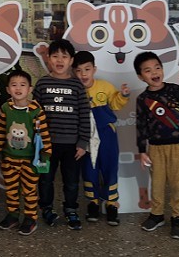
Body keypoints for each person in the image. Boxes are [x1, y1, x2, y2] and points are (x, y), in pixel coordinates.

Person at [133, 51, 179, 240]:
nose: (154, 72)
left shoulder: (174, 90)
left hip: (177, 146)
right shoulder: (142, 99)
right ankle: (157, 214)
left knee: (178, 184)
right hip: (155, 148)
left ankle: (178, 217)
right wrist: (142, 151)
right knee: (157, 184)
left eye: (157, 67)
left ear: (163, 69)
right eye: (147, 70)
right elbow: (140, 126)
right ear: (140, 76)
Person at [32, 39, 91, 230]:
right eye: (55, 56)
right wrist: (36, 140)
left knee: (72, 182)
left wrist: (82, 142)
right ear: (48, 59)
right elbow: (34, 113)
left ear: (71, 60)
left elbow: (84, 115)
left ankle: (71, 209)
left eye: (64, 56)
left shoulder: (77, 86)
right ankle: (46, 209)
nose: (59, 60)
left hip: (72, 146)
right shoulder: (42, 83)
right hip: (46, 145)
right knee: (45, 180)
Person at [72, 50, 130, 226]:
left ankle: (112, 204)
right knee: (89, 169)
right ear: (73, 72)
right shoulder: (74, 90)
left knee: (110, 167)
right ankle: (93, 203)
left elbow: (115, 104)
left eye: (87, 69)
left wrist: (123, 95)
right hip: (85, 136)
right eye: (78, 70)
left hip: (107, 134)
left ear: (94, 69)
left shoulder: (105, 86)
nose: (83, 74)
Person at [0, 70, 51, 236]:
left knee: (29, 190)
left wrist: (45, 154)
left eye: (22, 85)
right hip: (9, 158)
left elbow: (44, 134)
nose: (18, 88)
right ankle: (12, 215)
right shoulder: (6, 108)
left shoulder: (36, 111)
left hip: (30, 160)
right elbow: (0, 130)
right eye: (14, 85)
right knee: (11, 189)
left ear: (29, 89)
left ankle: (30, 218)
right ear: (8, 89)